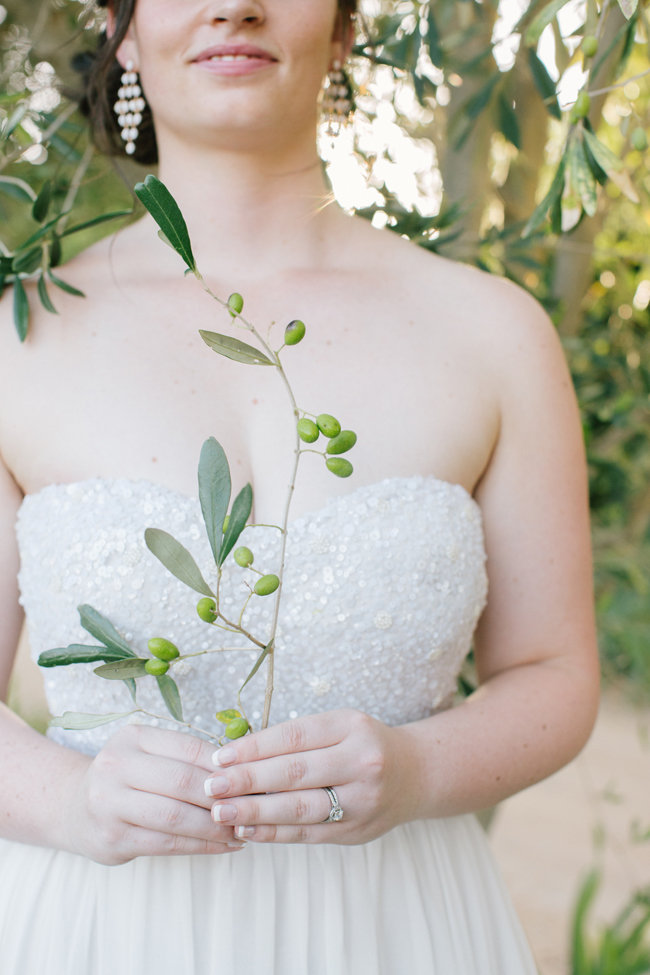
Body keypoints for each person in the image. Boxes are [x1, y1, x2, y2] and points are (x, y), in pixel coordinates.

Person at [0, 0, 599, 972]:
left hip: (396, 928)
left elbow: (555, 675)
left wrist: (416, 770)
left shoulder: (492, 334)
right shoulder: (17, 343)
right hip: (94, 929)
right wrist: (71, 802)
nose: (232, 4)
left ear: (344, 26)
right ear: (121, 29)